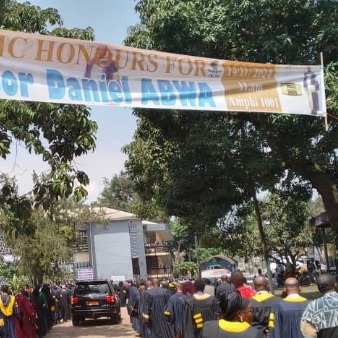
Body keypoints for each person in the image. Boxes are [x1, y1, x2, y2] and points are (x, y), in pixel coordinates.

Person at [201, 289, 265, 338]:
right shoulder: (255, 334)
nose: (253, 314)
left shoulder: (207, 327)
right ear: (239, 314)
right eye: (251, 311)